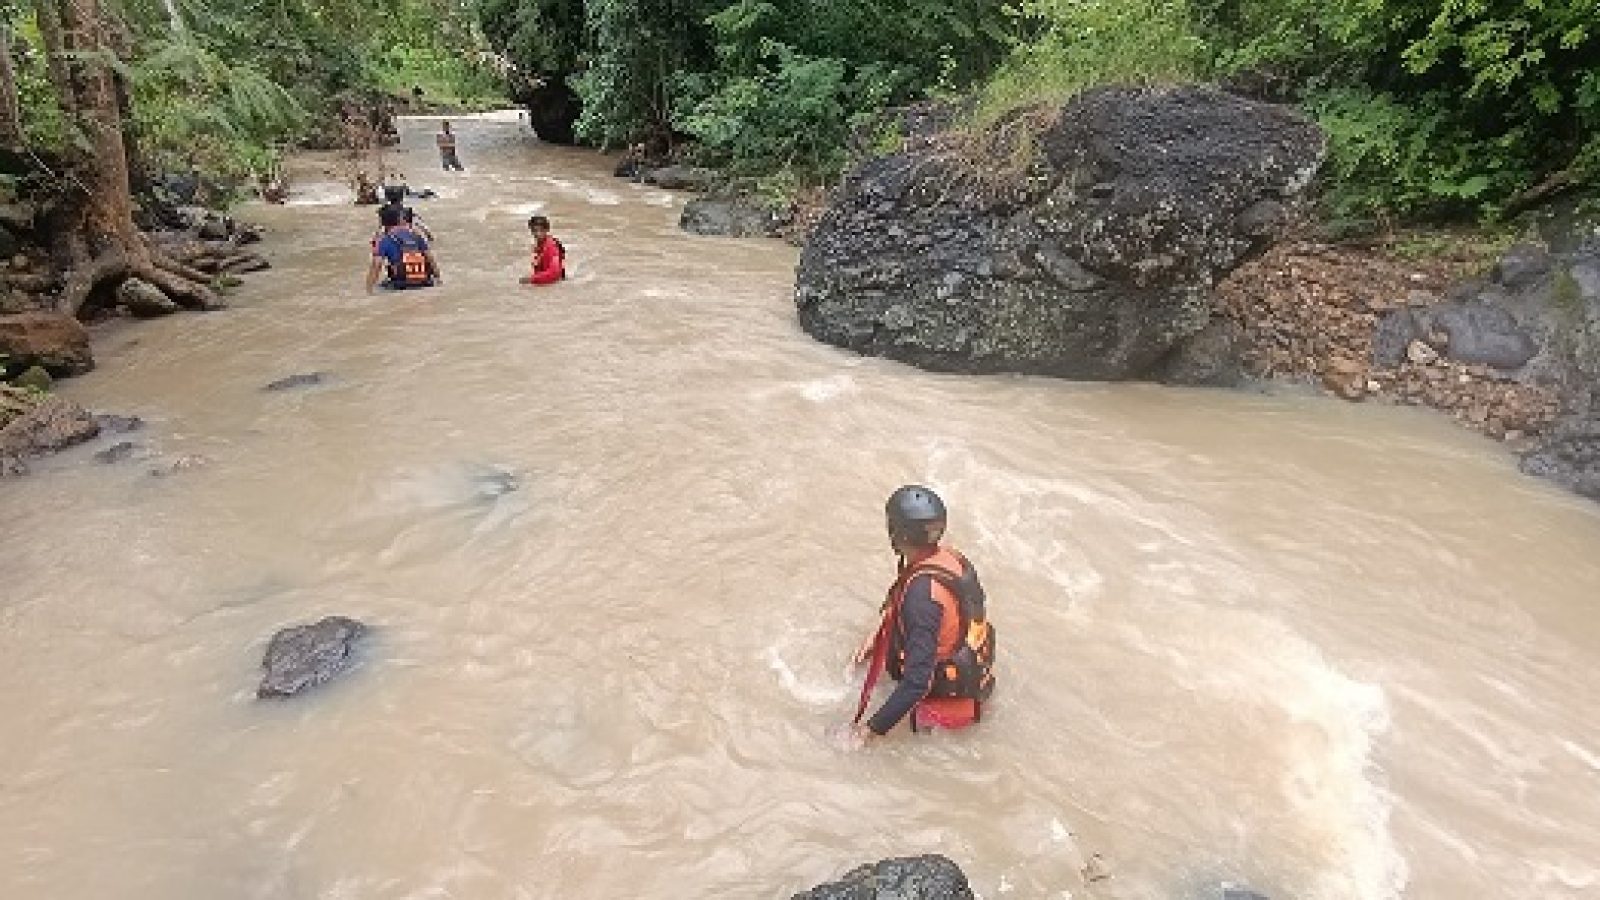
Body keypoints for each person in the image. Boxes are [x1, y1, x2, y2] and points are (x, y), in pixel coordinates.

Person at [848, 485, 996, 745]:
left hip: (941, 706)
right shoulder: (951, 559)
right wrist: (876, 636)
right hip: (970, 678)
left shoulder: (921, 598)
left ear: (897, 532)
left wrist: (869, 733)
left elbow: (917, 683)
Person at [366, 205, 442, 293]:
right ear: (400, 219)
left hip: (401, 284)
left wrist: (369, 290)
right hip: (425, 282)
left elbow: (377, 264)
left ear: (382, 223)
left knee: (380, 287)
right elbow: (430, 258)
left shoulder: (384, 239)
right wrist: (438, 279)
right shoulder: (416, 235)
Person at [519, 215, 565, 285]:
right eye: (534, 231)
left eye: (541, 230)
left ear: (547, 230)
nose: (538, 234)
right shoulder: (540, 245)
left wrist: (531, 279)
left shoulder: (551, 247)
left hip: (554, 285)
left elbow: (554, 273)